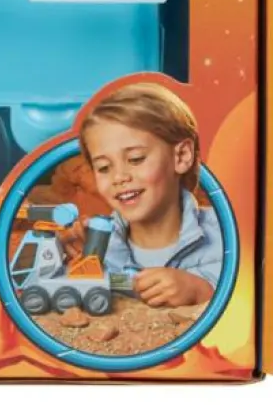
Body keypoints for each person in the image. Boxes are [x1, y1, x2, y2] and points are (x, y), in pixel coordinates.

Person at [79, 83, 223, 308]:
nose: (119, 177)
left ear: (181, 156)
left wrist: (200, 290)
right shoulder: (95, 244)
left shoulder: (226, 235)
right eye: (104, 168)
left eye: (135, 159)